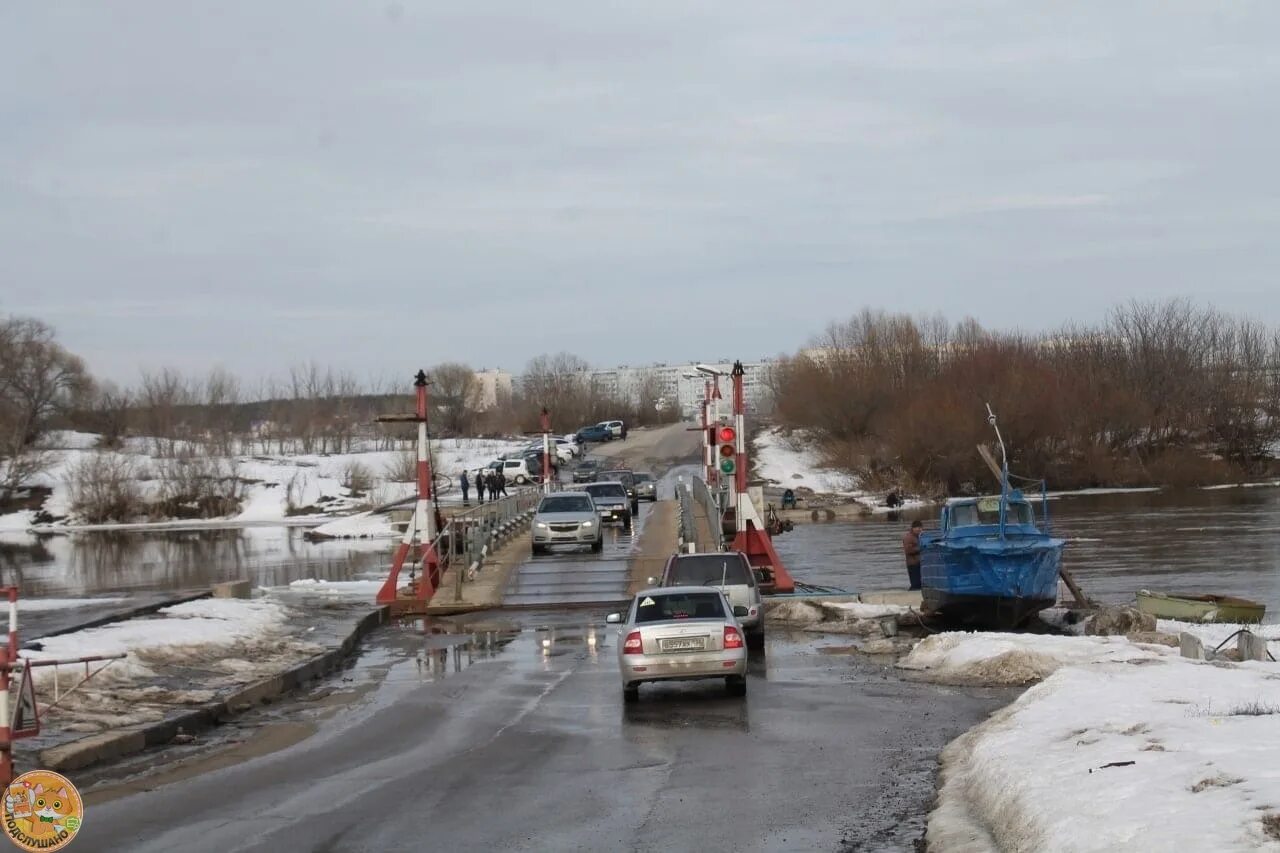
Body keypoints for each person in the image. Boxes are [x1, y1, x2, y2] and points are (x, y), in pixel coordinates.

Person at [902, 520, 924, 591]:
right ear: (913, 528)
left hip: (919, 563)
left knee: (920, 584)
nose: (919, 529)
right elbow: (908, 550)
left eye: (920, 527)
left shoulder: (919, 537)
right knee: (915, 584)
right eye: (917, 527)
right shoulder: (908, 537)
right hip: (913, 564)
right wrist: (920, 548)